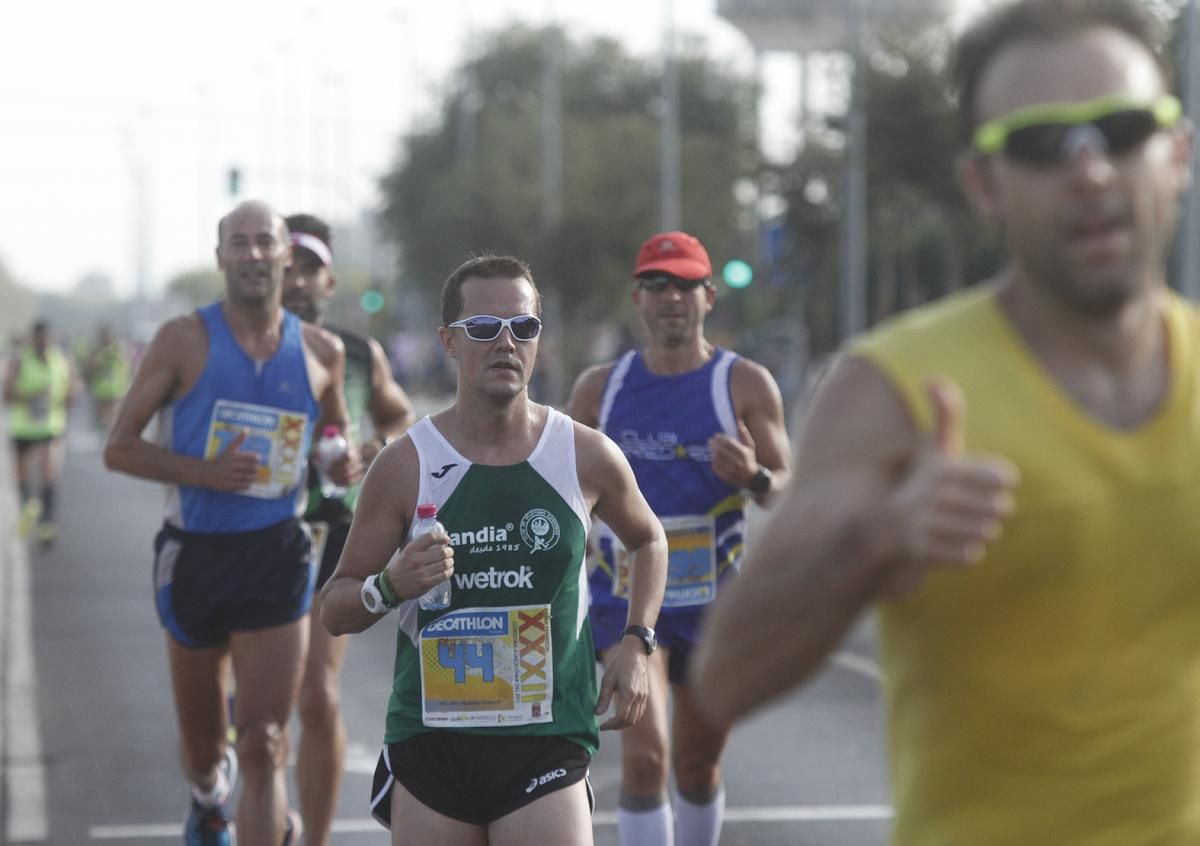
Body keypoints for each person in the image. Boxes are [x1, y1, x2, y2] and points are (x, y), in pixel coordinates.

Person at [691, 1, 1200, 842]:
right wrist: (876, 540)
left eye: (1121, 130)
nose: (1092, 172)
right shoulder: (894, 391)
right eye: (1041, 144)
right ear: (983, 184)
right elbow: (723, 676)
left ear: (1177, 152)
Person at [321, 254, 669, 846]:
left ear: (539, 342)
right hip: (434, 742)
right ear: (449, 343)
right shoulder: (406, 464)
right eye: (484, 328)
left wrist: (637, 643)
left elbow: (649, 538)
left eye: (523, 327)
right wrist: (392, 584)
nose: (506, 342)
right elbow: (335, 607)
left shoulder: (584, 454)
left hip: (547, 739)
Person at [104, 199, 355, 846]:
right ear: (220, 258)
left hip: (277, 552)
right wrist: (204, 471)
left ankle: (263, 822)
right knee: (204, 750)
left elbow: (333, 439)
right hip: (194, 557)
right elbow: (119, 447)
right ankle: (208, 799)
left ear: (284, 255)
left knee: (266, 743)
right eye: (237, 243)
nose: (251, 254)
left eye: (262, 242)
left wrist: (339, 457)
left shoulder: (324, 351)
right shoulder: (183, 339)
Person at [566, 231, 790, 846]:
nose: (672, 298)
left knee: (697, 765)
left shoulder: (744, 385)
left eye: (685, 285)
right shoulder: (598, 390)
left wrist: (754, 475)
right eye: (658, 285)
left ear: (709, 297)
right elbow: (563, 487)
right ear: (637, 299)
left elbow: (787, 491)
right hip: (624, 596)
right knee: (645, 759)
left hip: (712, 602)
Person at [282, 212, 416, 846]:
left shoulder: (357, 353)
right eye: (286, 264)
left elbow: (399, 419)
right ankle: (239, 795)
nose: (295, 278)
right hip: (246, 531)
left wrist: (375, 445)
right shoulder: (230, 347)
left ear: (328, 280)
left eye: (309, 267)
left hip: (330, 528)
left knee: (315, 695)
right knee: (249, 714)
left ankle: (312, 838)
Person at [4, 318, 78, 547]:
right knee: (22, 476)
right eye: (39, 339)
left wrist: (69, 398)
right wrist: (32, 397)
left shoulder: (62, 360)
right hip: (24, 428)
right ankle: (28, 508)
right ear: (32, 339)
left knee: (50, 474)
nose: (43, 343)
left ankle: (47, 525)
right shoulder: (20, 360)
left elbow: (72, 388)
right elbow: (6, 395)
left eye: (47, 339)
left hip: (51, 427)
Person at [83, 322, 132, 434]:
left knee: (114, 422)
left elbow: (127, 366)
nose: (107, 337)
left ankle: (112, 440)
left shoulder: (119, 349)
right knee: (102, 423)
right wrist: (101, 357)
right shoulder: (95, 351)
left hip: (117, 392)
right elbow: (90, 369)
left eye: (109, 334)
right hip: (100, 393)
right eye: (104, 335)